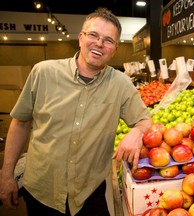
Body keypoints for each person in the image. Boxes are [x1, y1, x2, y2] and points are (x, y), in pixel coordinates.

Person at [0, 7, 152, 216]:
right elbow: (20, 123)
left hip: (89, 195)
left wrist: (137, 132)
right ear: (81, 38)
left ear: (115, 49)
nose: (99, 43)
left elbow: (144, 120)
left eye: (108, 40)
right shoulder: (43, 72)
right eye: (93, 35)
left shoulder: (122, 84)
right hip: (41, 191)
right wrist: (6, 175)